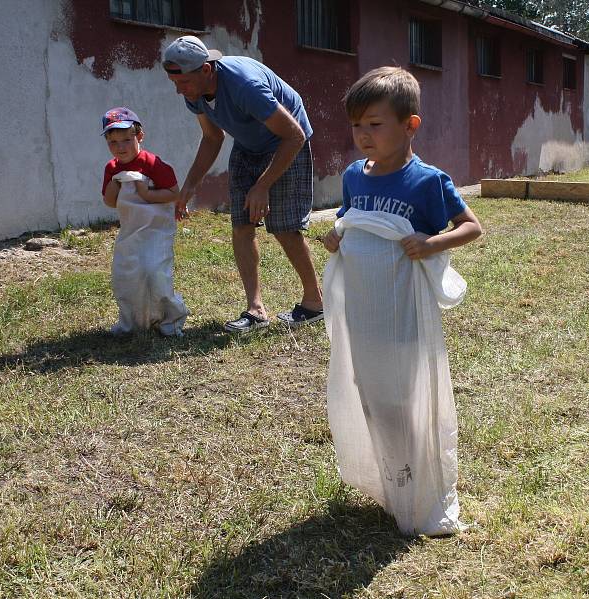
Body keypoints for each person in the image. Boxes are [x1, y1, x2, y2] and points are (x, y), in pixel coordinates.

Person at [322, 67, 482, 536]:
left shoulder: (427, 182)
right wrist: (336, 234)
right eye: (356, 126)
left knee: (407, 399)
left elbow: (472, 227)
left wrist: (431, 244)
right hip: (364, 314)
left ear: (410, 125)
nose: (363, 136)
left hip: (405, 316)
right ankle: (389, 477)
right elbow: (351, 217)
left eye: (375, 124)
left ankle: (421, 484)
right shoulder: (355, 176)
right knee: (372, 396)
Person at [162, 36, 323, 334]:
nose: (178, 89)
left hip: (285, 141)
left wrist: (262, 186)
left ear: (206, 70)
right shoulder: (194, 92)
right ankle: (256, 310)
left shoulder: (245, 86)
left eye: (182, 82)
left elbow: (295, 135)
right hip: (249, 144)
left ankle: (315, 303)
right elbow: (213, 138)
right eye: (175, 81)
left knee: (284, 226)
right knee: (241, 224)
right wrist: (190, 186)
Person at [101, 107, 189, 336]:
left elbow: (173, 193)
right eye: (114, 142)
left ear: (139, 136)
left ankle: (169, 318)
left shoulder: (153, 164)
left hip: (156, 231)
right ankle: (134, 322)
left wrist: (147, 194)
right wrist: (114, 184)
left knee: (155, 272)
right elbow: (110, 202)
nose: (121, 148)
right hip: (130, 232)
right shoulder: (112, 168)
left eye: (127, 140)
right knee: (127, 276)